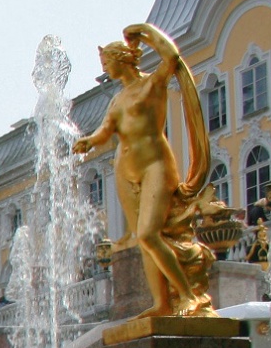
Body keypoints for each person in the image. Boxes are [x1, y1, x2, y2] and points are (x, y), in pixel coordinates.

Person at [73, 22, 217, 317]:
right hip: (126, 169)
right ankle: (162, 303)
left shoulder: (153, 83)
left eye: (106, 61)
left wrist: (144, 31)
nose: (105, 67)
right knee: (142, 238)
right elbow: (105, 132)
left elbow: (173, 58)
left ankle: (190, 297)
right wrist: (88, 141)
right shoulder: (116, 99)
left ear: (122, 59)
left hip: (156, 165)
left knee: (150, 234)